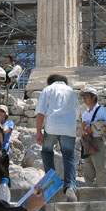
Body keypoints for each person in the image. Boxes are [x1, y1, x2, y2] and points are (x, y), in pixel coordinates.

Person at [35, 74, 81, 202]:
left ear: (50, 82)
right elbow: (77, 112)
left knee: (47, 152)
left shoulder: (48, 90)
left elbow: (40, 113)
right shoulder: (72, 91)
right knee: (69, 156)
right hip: (68, 127)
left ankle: (51, 183)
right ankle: (70, 186)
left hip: (52, 126)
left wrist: (38, 131)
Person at [80, 87, 106, 188]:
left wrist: (94, 129)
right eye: (83, 97)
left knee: (101, 171)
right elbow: (83, 130)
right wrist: (82, 129)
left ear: (94, 97)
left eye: (86, 96)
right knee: (88, 171)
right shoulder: (85, 114)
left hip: (99, 141)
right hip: (87, 142)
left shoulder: (102, 110)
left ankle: (103, 195)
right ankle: (90, 195)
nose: (84, 99)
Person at [0, 104, 14, 181]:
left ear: (6, 114)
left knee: (4, 171)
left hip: (3, 150)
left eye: (2, 111)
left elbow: (4, 131)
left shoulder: (9, 123)